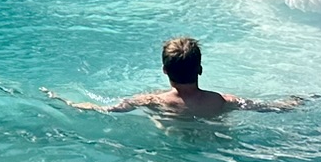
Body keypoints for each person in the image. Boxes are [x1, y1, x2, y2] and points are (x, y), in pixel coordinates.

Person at [45, 37, 304, 120]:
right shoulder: (223, 101)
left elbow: (107, 109)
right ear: (200, 69)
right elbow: (270, 107)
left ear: (165, 71)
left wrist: (65, 101)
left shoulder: (153, 100)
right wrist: (297, 101)